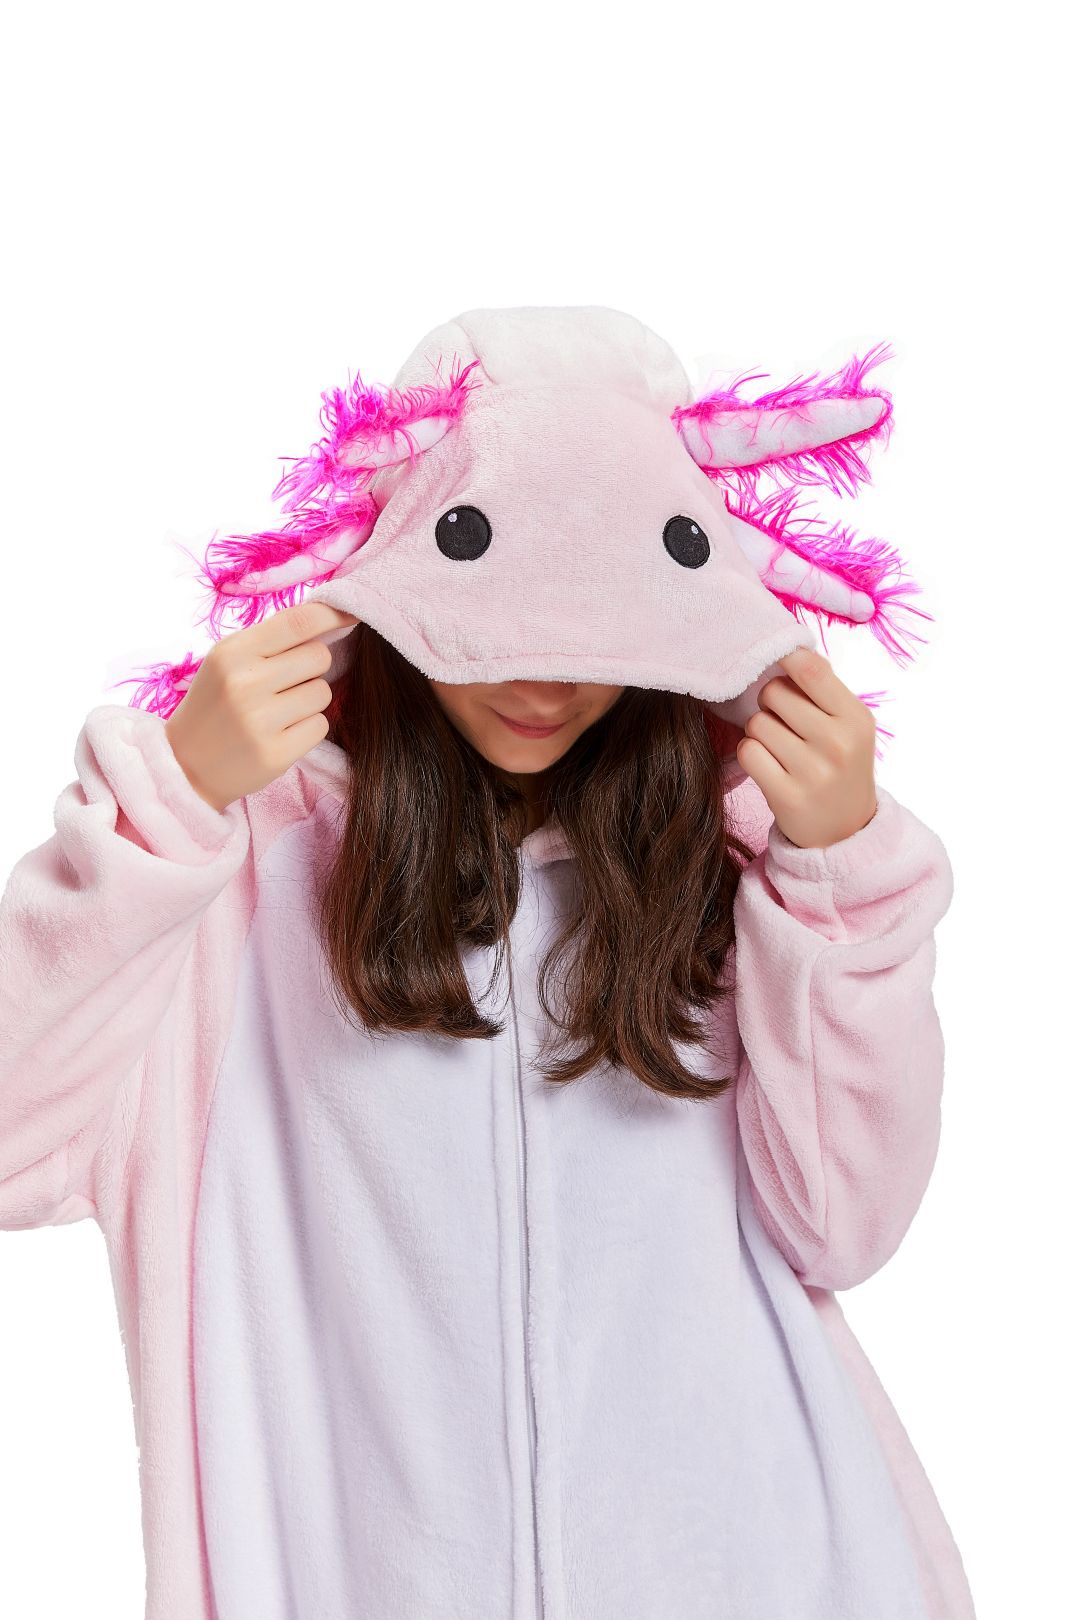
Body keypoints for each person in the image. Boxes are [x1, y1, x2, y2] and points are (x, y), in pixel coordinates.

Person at [0, 305, 976, 1619]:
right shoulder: (237, 880)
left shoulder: (735, 861)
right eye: (501, 611)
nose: (546, 681)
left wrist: (838, 875)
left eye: (598, 625)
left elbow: (844, 1228)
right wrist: (165, 810)